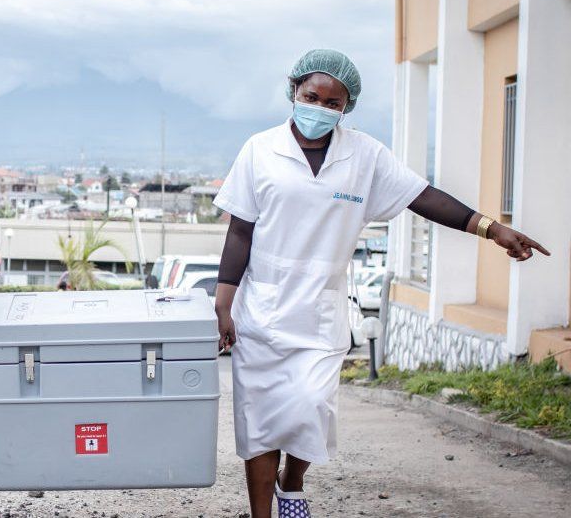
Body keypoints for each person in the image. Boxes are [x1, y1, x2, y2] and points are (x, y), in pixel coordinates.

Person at [212, 49, 548, 518]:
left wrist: (493, 229)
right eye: (313, 96)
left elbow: (423, 197)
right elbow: (240, 231)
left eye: (334, 103)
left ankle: (293, 482)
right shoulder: (259, 150)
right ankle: (263, 514)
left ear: (346, 109)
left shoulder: (364, 156)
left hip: (319, 315)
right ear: (294, 92)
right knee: (259, 424)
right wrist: (223, 305)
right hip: (262, 311)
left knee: (310, 408)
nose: (321, 109)